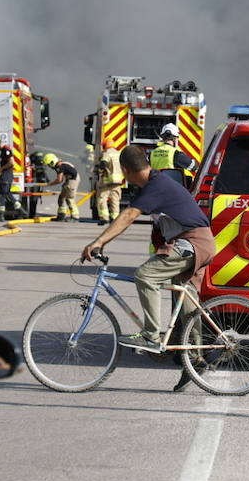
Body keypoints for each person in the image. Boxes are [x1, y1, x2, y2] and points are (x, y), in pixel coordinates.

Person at [83, 145, 214, 354]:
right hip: (200, 242)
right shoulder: (154, 184)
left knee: (145, 276)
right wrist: (104, 241)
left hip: (192, 242)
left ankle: (151, 336)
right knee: (186, 294)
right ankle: (195, 356)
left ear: (125, 170)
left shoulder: (156, 185)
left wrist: (97, 242)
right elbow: (127, 215)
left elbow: (128, 216)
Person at [150, 122, 197, 190]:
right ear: (175, 138)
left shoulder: (153, 153)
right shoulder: (176, 154)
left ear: (162, 137)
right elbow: (193, 166)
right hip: (171, 189)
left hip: (155, 188)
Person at [41, 152, 80, 222]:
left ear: (52, 162)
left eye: (49, 164)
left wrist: (49, 184)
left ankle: (75, 217)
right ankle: (61, 215)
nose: (49, 166)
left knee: (69, 198)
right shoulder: (62, 164)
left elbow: (59, 180)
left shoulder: (59, 167)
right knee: (61, 198)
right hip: (69, 179)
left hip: (72, 180)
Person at [94, 138, 124, 226]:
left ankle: (104, 218)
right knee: (115, 200)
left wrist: (99, 170)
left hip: (107, 181)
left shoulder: (107, 153)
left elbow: (103, 164)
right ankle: (115, 218)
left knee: (101, 199)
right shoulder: (118, 154)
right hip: (118, 181)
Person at [0, 135, 20, 219]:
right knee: (2, 194)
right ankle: (2, 213)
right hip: (5, 174)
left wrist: (1, 169)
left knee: (3, 194)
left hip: (6, 175)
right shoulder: (4, 150)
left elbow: (11, 162)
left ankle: (3, 215)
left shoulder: (5, 150)